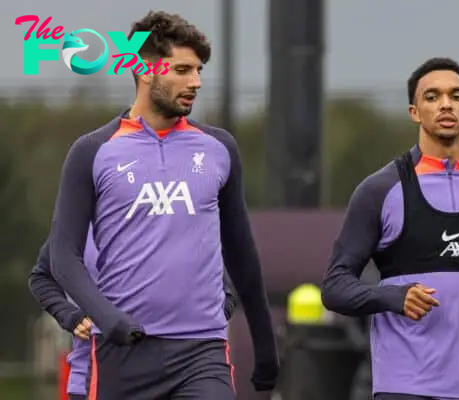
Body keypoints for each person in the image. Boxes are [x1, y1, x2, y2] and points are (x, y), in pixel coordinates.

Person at [47, 10, 278, 400]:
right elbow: (62, 257)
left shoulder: (220, 148)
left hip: (201, 351)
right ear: (145, 70)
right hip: (121, 352)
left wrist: (265, 344)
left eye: (199, 70)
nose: (196, 82)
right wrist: (109, 319)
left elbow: (242, 254)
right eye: (183, 70)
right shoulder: (92, 152)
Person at [321, 57, 459, 400]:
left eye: (455, 95)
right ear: (414, 111)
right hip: (404, 388)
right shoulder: (380, 190)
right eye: (432, 97)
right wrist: (394, 296)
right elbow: (335, 287)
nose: (445, 105)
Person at [28, 226, 238, 400]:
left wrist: (199, 320)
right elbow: (41, 276)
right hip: (96, 376)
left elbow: (225, 292)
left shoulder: (182, 220)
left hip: (182, 374)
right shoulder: (80, 222)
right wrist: (69, 315)